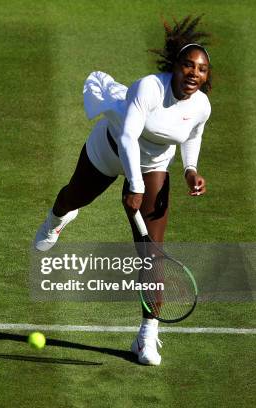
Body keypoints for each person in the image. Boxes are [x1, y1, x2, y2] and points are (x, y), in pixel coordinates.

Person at [33, 16, 212, 366]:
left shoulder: (201, 105)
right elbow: (129, 137)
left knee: (151, 252)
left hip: (155, 167)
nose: (194, 74)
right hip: (111, 148)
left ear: (206, 76)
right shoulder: (148, 88)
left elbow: (193, 135)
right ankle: (58, 218)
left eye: (201, 70)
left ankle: (147, 336)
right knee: (74, 197)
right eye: (188, 66)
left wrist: (190, 170)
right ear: (175, 67)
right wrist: (133, 184)